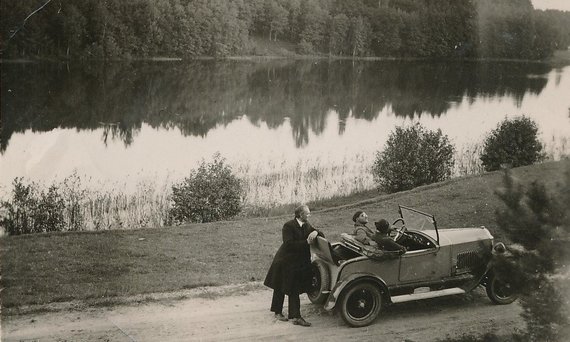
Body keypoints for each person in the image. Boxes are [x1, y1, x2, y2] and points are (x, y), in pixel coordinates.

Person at [264, 205, 323, 327]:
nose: (309, 215)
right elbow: (288, 244)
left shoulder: (307, 225)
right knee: (280, 286)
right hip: (284, 261)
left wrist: (316, 232)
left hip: (296, 262)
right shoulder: (288, 226)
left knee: (293, 287)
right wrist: (306, 242)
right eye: (307, 213)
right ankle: (280, 313)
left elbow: (320, 233)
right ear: (300, 214)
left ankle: (294, 315)